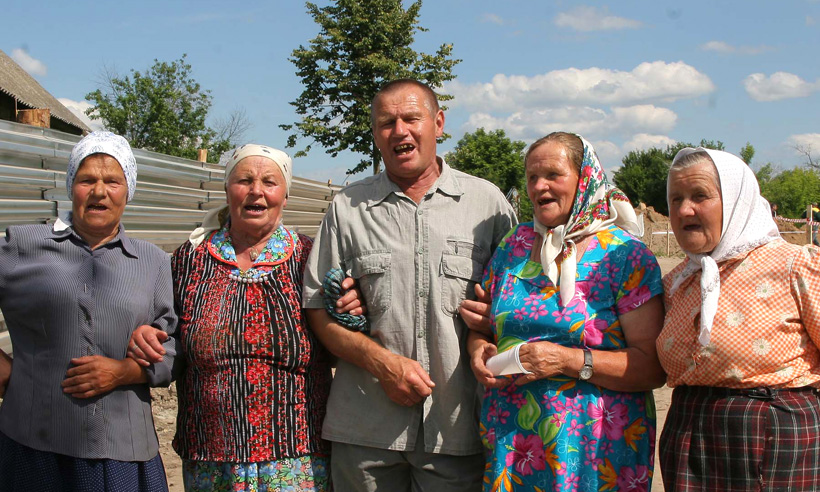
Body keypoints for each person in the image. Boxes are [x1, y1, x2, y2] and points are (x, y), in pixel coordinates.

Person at [302, 79, 517, 491]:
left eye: (411, 118)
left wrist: (496, 320)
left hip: (458, 431)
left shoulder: (487, 205)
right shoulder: (348, 208)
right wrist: (381, 364)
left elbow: (524, 301)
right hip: (365, 432)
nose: (399, 131)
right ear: (375, 134)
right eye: (387, 123)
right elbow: (316, 309)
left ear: (439, 123)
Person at [130, 144, 347, 492]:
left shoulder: (311, 258)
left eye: (269, 182)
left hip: (298, 458)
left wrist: (352, 308)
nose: (256, 190)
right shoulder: (190, 259)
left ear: (285, 195)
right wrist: (148, 333)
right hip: (211, 456)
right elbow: (166, 331)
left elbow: (342, 336)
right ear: (227, 189)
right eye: (244, 180)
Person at [467, 132, 665, 491]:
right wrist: (478, 348)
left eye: (553, 175)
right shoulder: (514, 246)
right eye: (532, 177)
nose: (539, 186)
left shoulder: (625, 256)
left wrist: (567, 361)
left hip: (595, 448)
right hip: (514, 441)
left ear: (585, 178)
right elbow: (485, 324)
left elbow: (651, 367)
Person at [0, 131, 178, 491]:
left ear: (128, 191)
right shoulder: (21, 246)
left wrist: (124, 372)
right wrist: (5, 372)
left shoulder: (153, 261)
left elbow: (176, 348)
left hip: (124, 449)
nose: (99, 191)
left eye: (112, 181)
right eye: (87, 180)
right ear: (71, 187)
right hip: (33, 444)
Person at [657, 147, 820, 491]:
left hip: (774, 440)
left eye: (699, 195)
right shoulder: (676, 283)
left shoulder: (794, 265)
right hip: (688, 436)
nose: (684, 209)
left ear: (736, 200)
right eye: (675, 199)